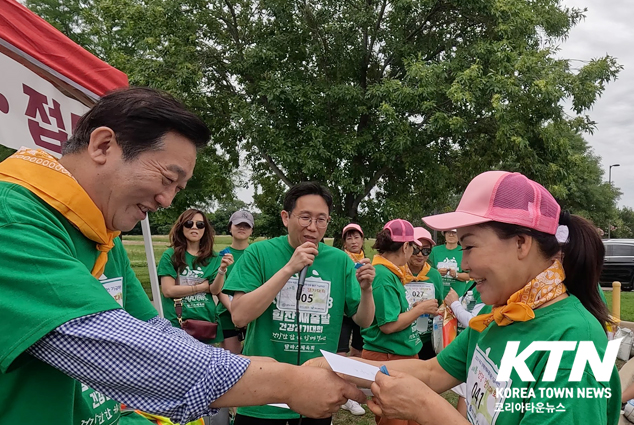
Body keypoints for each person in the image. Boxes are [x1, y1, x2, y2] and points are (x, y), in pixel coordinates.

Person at [0, 87, 365, 425]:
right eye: (166, 178)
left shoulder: (101, 236)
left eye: (178, 188)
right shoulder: (12, 219)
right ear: (103, 145)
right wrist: (285, 381)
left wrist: (253, 367)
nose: (167, 201)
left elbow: (151, 329)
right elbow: (119, 348)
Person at [311, 171, 622, 425]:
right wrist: (338, 366)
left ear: (521, 244)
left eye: (470, 246)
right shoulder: (499, 315)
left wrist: (424, 407)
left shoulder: (574, 340)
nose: (463, 265)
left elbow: (428, 389)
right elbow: (433, 372)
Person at [223, 181, 376, 425]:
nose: (313, 227)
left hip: (316, 393)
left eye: (321, 220)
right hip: (261, 395)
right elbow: (239, 316)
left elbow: (363, 320)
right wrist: (289, 269)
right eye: (305, 218)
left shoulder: (340, 261)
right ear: (286, 217)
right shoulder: (258, 254)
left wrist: (367, 291)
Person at [361, 219, 432, 425]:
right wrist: (420, 310)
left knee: (410, 414)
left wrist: (413, 308)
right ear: (404, 246)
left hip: (400, 354)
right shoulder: (383, 276)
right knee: (395, 418)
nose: (415, 253)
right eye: (413, 247)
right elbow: (388, 325)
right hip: (389, 355)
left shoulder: (392, 272)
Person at [158, 209, 230, 345]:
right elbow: (168, 291)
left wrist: (222, 269)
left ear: (205, 229)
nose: (194, 227)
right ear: (181, 227)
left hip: (207, 322)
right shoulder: (170, 256)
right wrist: (201, 287)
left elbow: (214, 290)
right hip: (178, 323)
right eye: (189, 223)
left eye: (200, 224)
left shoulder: (213, 258)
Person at [337, 223, 368, 416]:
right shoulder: (340, 260)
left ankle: (352, 392)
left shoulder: (368, 261)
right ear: (344, 242)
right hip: (342, 312)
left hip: (362, 311)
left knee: (358, 351)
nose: (353, 241)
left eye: (356, 237)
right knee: (340, 353)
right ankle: (342, 395)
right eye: (349, 238)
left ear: (362, 240)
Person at [217, 210, 255, 354]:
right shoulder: (221, 255)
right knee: (233, 360)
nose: (242, 228)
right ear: (230, 227)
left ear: (252, 230)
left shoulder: (256, 254)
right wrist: (235, 311)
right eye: (238, 224)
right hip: (227, 314)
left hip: (253, 314)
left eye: (247, 226)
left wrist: (246, 313)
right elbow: (219, 289)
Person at [406, 227, 443, 360]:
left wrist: (435, 311)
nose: (420, 254)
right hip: (402, 339)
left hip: (427, 339)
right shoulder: (397, 273)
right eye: (416, 249)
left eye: (426, 250)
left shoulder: (434, 275)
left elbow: (441, 306)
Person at [428, 229, 471, 297]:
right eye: (448, 232)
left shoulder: (464, 251)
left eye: (454, 232)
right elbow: (427, 272)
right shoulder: (435, 251)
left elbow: (470, 275)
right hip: (437, 295)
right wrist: (437, 273)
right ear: (444, 234)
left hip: (458, 296)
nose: (451, 235)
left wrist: (456, 275)